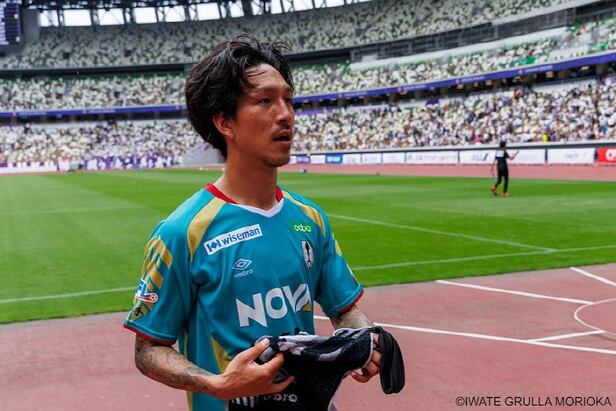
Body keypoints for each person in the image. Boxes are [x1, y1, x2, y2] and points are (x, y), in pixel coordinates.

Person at [123, 34, 381, 411]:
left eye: (288, 100)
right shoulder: (182, 232)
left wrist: (366, 339)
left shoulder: (311, 219)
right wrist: (217, 384)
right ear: (225, 121)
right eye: (265, 101)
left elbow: (344, 311)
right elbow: (148, 349)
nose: (286, 114)